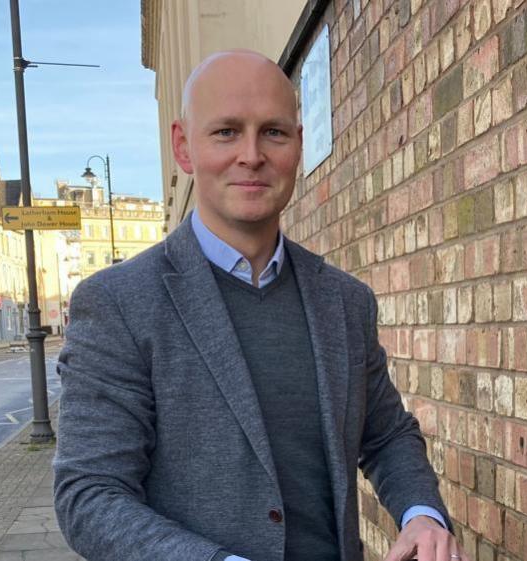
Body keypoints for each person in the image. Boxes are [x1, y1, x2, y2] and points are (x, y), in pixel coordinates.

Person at [53, 50, 468, 561]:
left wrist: (422, 515)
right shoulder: (118, 304)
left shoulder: (344, 301)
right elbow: (90, 495)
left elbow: (386, 435)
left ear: (297, 143)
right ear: (183, 147)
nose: (251, 155)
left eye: (273, 132)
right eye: (226, 131)